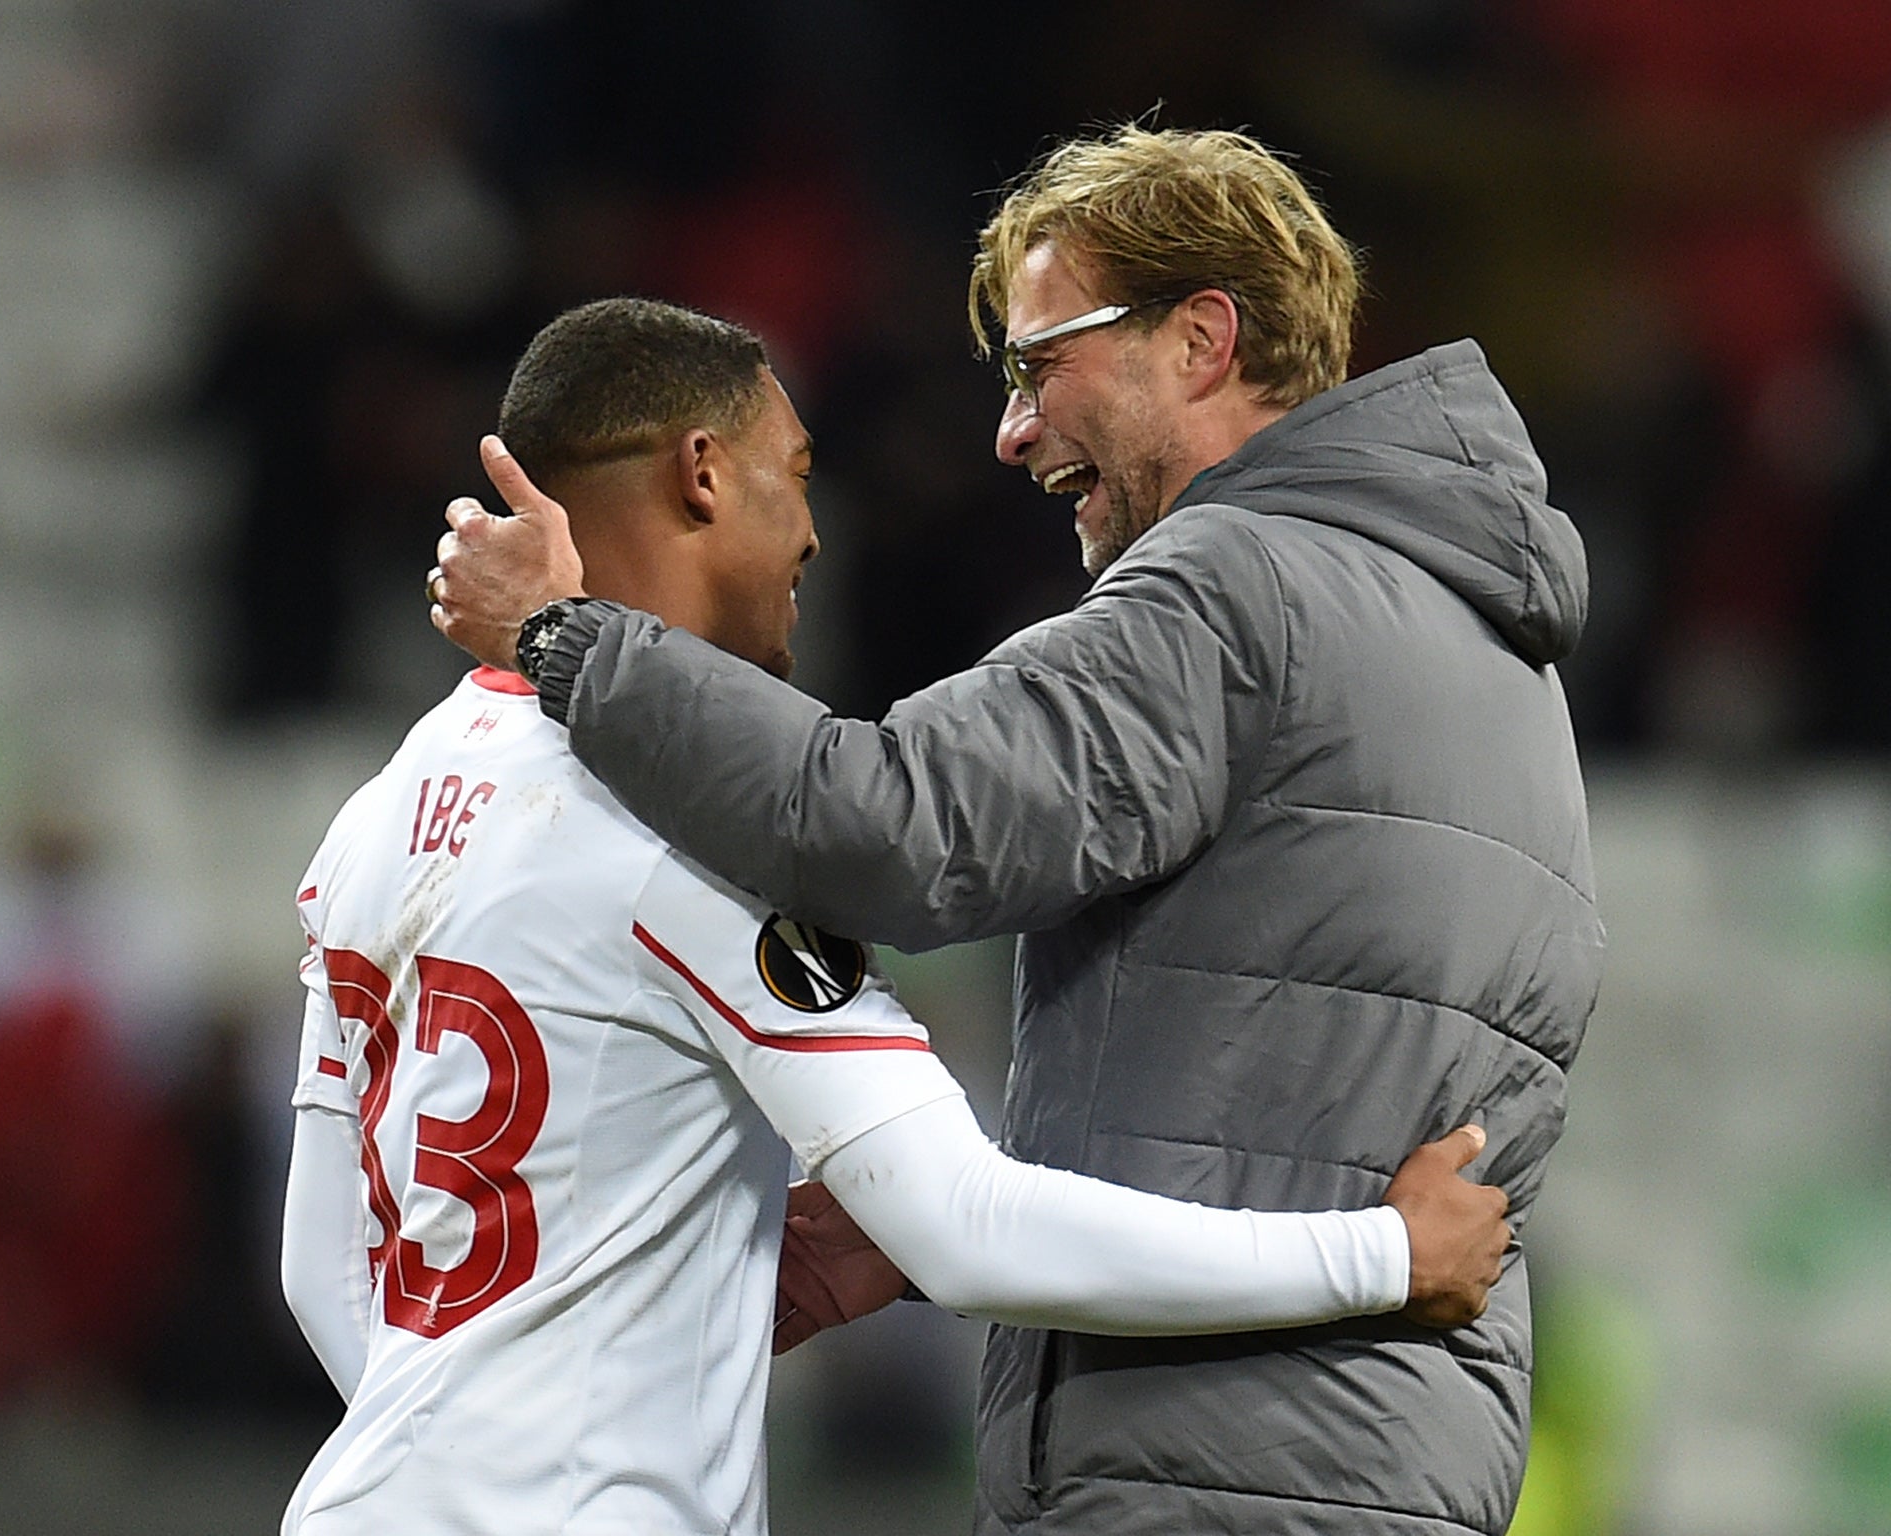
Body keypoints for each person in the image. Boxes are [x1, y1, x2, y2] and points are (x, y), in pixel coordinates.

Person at [428, 127, 1606, 1536]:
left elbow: (882, 822)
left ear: (1202, 339)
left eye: (1043, 366)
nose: (1012, 432)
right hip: (1385, 1459)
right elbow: (1287, 1077)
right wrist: (926, 1214)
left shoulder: (1237, 587)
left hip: (1202, 1471)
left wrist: (569, 640)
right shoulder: (1489, 646)